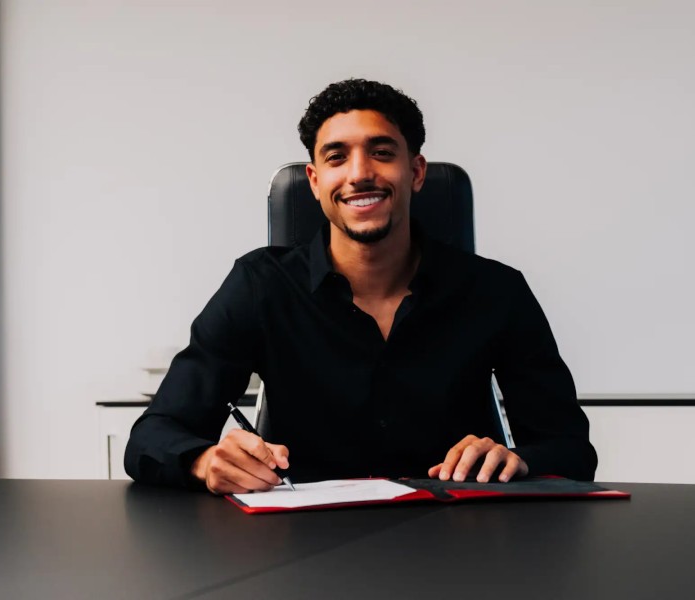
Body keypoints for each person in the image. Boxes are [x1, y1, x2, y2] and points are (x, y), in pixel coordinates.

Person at [125, 79, 597, 494]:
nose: (359, 174)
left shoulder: (496, 291)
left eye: (382, 152)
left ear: (416, 172)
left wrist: (519, 461)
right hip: (300, 542)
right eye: (337, 157)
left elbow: (571, 449)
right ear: (315, 181)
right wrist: (205, 461)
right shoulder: (260, 286)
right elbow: (152, 436)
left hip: (456, 538)